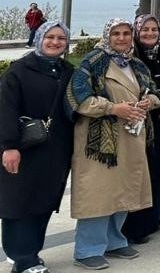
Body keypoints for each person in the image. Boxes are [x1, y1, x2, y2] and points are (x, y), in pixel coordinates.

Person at [68, 19, 160, 269]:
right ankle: (87, 250)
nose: (122, 38)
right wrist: (113, 108)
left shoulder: (136, 64)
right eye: (116, 33)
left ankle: (115, 241)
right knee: (98, 193)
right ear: (106, 36)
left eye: (126, 33)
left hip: (131, 135)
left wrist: (149, 102)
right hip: (100, 140)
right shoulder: (93, 62)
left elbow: (154, 91)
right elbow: (78, 99)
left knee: (124, 189)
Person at [1, 21, 73, 273]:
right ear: (39, 38)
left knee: (44, 202)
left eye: (61, 38)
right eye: (50, 37)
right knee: (19, 202)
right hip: (25, 148)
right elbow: (6, 109)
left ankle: (28, 252)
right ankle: (23, 259)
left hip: (56, 149)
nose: (55, 42)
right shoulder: (19, 71)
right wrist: (8, 146)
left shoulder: (66, 70)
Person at [122, 14, 160, 245]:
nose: (150, 33)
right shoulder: (128, 56)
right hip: (133, 122)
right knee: (135, 173)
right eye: (145, 29)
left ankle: (148, 221)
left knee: (154, 172)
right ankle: (129, 227)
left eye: (154, 29)